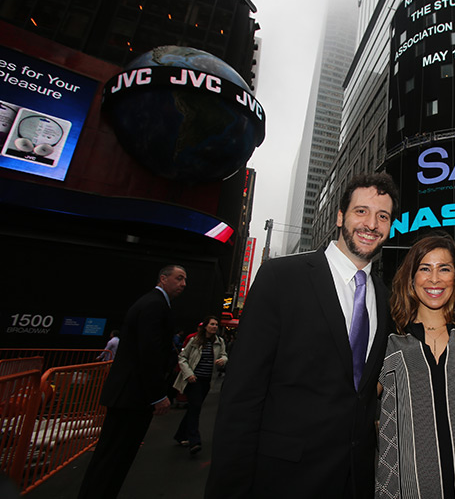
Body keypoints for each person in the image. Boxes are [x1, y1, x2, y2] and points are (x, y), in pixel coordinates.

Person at [206, 172, 399, 499]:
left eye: (383, 216)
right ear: (340, 216)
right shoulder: (280, 279)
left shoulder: (384, 298)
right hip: (282, 479)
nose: (371, 224)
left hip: (355, 480)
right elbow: (242, 396)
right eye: (361, 211)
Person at [375, 234, 455, 499]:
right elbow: (356, 404)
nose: (435, 279)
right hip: (404, 489)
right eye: (425, 268)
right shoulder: (389, 339)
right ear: (411, 277)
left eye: (444, 269)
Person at [78, 265, 187, 499]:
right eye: (179, 278)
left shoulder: (152, 304)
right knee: (116, 457)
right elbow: (149, 354)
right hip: (132, 397)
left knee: (111, 456)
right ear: (163, 278)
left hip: (129, 395)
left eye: (185, 280)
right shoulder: (154, 306)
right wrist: (158, 395)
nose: (183, 284)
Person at [173, 315, 227, 455]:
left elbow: (224, 355)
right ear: (206, 326)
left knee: (194, 408)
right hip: (194, 380)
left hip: (207, 381)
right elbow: (183, 357)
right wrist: (189, 374)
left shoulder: (219, 342)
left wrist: (223, 360)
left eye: (216, 324)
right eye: (212, 324)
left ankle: (180, 434)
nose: (214, 326)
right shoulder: (195, 340)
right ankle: (194, 441)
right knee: (195, 408)